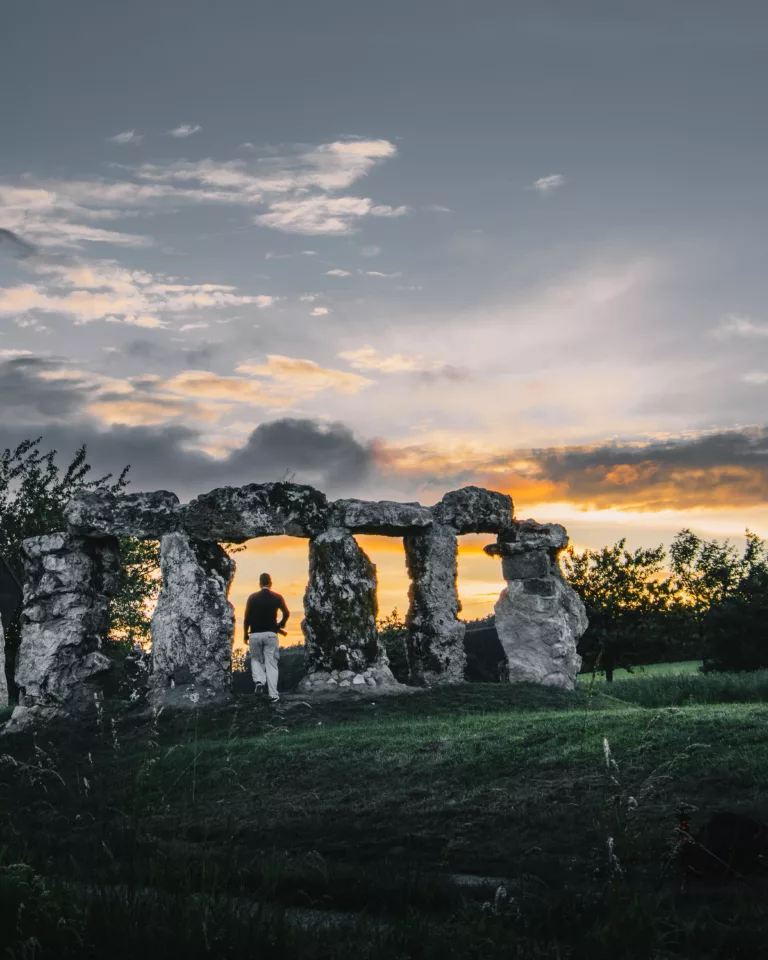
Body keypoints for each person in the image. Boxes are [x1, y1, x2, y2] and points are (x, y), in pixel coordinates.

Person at [244, 572, 289, 704]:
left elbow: (247, 618)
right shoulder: (277, 597)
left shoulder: (252, 598)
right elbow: (286, 613)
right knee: (271, 664)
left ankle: (259, 681)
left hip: (255, 634)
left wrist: (245, 634)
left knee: (256, 659)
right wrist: (281, 624)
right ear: (270, 583)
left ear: (259, 583)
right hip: (270, 634)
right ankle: (274, 696)